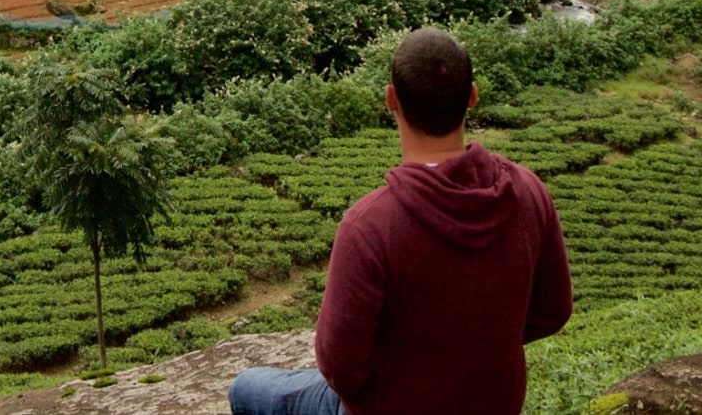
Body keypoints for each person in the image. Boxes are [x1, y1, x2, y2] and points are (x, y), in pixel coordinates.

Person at [228, 28, 572, 415]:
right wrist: (474, 353)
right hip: (493, 403)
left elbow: (339, 367)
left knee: (246, 389)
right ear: (472, 96)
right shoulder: (529, 192)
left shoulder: (370, 225)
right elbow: (553, 311)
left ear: (391, 99)